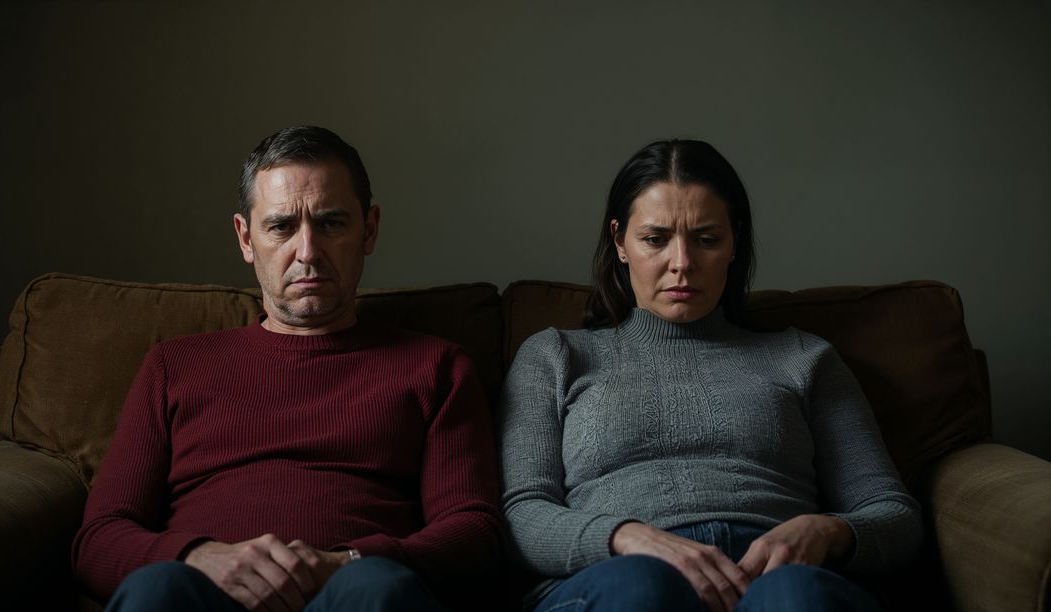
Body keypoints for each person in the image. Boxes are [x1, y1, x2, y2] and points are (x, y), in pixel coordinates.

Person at [72, 126, 503, 612]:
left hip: (354, 595)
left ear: (370, 230)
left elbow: (474, 532)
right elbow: (99, 540)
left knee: (377, 588)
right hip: (206, 599)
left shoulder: (436, 367)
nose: (308, 252)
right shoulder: (173, 366)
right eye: (281, 227)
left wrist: (349, 562)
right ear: (245, 238)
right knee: (158, 590)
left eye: (332, 223)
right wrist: (198, 556)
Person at [499, 139, 922, 612]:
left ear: (734, 241)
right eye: (655, 239)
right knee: (642, 589)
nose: (682, 263)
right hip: (617, 577)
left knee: (794, 596)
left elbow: (896, 518)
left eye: (706, 239)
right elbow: (522, 515)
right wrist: (625, 537)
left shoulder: (804, 357)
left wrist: (826, 529)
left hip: (772, 580)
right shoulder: (555, 355)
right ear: (620, 241)